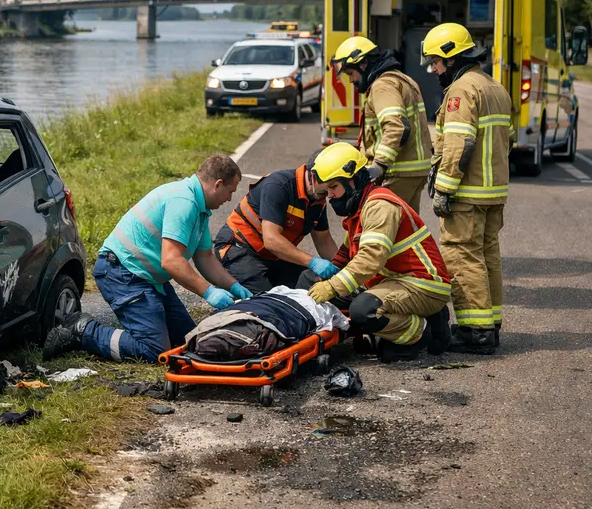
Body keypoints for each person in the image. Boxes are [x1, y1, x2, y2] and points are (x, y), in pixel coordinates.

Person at [43, 155, 253, 362]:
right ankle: (82, 331)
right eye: (230, 191)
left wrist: (234, 286)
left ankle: (122, 329)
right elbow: (171, 261)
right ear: (217, 184)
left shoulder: (200, 209)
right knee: (154, 350)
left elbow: (205, 257)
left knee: (186, 341)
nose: (229, 198)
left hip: (146, 278)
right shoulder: (184, 202)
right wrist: (209, 292)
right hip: (122, 273)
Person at [303, 142, 452, 362]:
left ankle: (422, 332)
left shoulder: (379, 206)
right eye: (326, 190)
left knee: (364, 311)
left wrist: (332, 286)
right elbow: (347, 254)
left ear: (351, 181)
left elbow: (369, 259)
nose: (330, 196)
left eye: (333, 187)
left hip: (422, 284)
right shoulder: (361, 207)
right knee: (308, 279)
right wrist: (323, 276)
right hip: (392, 282)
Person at [422, 22, 512, 355]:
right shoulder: (495, 88)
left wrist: (444, 189)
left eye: (436, 61)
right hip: (493, 192)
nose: (433, 69)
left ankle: (476, 331)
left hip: (467, 193)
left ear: (452, 57)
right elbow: (507, 141)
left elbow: (460, 143)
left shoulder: (461, 91)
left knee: (461, 257)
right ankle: (490, 323)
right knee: (488, 256)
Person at [212, 153, 340, 294]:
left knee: (312, 288)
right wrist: (312, 262)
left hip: (274, 256)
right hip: (239, 249)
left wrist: (344, 273)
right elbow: (271, 240)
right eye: (331, 186)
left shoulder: (317, 198)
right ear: (314, 176)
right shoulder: (278, 186)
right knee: (270, 303)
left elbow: (324, 241)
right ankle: (231, 279)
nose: (331, 194)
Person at [331, 36, 434, 211]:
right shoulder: (403, 80)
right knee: (404, 229)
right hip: (412, 171)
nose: (351, 80)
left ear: (363, 64)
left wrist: (378, 166)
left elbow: (396, 126)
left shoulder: (383, 86)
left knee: (379, 228)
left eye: (351, 73)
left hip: (397, 172)